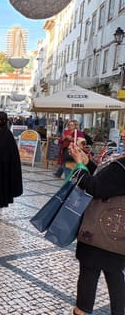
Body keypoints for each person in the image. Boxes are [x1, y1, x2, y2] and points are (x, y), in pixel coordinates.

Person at [68, 135, 125, 315]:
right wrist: (88, 163)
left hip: (100, 231)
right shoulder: (120, 164)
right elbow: (108, 183)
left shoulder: (122, 167)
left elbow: (95, 188)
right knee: (114, 274)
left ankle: (81, 311)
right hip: (116, 235)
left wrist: (78, 165)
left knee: (90, 272)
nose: (123, 135)